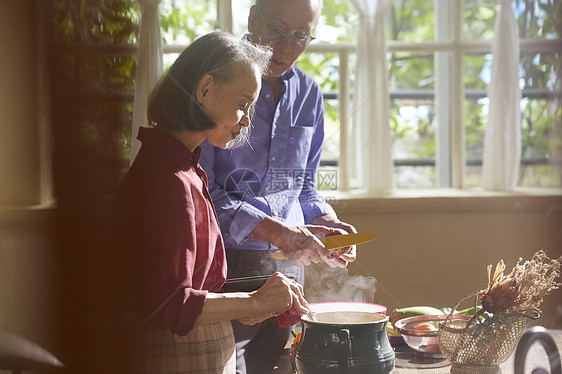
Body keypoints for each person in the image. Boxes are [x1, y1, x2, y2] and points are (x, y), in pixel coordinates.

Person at [115, 31, 311, 374]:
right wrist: (253, 301)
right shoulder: (168, 181)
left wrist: (256, 295)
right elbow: (168, 302)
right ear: (205, 89)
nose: (247, 120)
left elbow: (190, 286)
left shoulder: (184, 167)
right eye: (242, 104)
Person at [199, 1, 358, 373]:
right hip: (225, 265)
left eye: (301, 35)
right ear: (253, 17)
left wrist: (325, 222)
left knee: (283, 366)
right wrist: (278, 231)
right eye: (277, 29)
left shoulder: (309, 94)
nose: (286, 47)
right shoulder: (215, 83)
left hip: (290, 268)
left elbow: (303, 187)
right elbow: (201, 195)